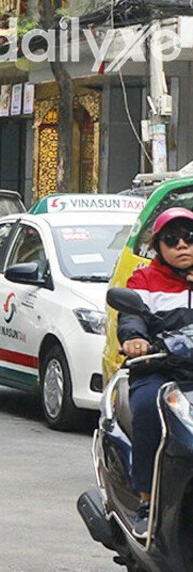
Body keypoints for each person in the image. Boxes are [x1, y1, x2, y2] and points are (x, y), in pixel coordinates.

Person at [116, 207, 193, 538]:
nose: (182, 246)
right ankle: (146, 500)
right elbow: (131, 316)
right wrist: (134, 339)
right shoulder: (144, 280)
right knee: (148, 408)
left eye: (189, 238)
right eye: (171, 239)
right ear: (157, 245)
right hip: (159, 371)